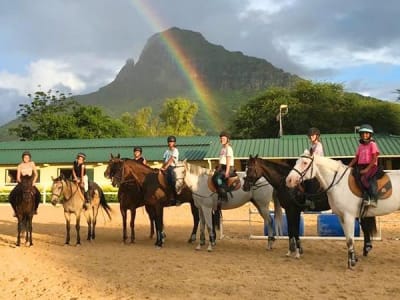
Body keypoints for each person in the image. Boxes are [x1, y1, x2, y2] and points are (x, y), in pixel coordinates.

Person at [348, 124, 380, 207]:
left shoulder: (372, 144)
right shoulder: (360, 146)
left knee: (365, 179)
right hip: (361, 166)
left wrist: (367, 169)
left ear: (370, 135)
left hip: (371, 166)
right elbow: (356, 158)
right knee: (356, 179)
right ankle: (365, 197)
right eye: (362, 133)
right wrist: (348, 166)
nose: (364, 135)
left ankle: (373, 198)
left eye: (366, 133)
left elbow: (374, 158)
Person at [9, 151, 41, 216]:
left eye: (27, 157)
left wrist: (33, 182)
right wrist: (21, 183)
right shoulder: (20, 165)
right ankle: (15, 211)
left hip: (30, 183)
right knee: (11, 195)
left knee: (38, 194)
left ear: (29, 158)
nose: (26, 158)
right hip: (22, 183)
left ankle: (35, 209)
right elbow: (18, 177)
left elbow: (36, 174)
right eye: (24, 157)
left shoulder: (32, 164)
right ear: (22, 158)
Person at [303, 128, 325, 210]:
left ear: (317, 136)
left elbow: (314, 158)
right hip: (314, 166)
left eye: (312, 135)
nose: (311, 137)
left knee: (311, 180)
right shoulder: (312, 146)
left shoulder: (319, 145)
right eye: (310, 136)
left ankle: (311, 200)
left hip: (319, 166)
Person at [213, 131, 235, 202]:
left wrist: (227, 172)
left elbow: (228, 161)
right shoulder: (222, 149)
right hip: (222, 168)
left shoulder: (229, 148)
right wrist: (217, 169)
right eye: (221, 138)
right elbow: (221, 161)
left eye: (223, 138)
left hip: (228, 168)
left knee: (217, 179)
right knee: (213, 177)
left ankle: (224, 194)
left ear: (227, 139)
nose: (221, 140)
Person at [161, 136, 179, 205]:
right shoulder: (166, 151)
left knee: (172, 180)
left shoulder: (175, 150)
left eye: (172, 142)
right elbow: (164, 161)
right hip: (166, 167)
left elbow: (171, 160)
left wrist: (165, 167)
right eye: (169, 142)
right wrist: (162, 167)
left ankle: (176, 198)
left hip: (173, 167)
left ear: (174, 143)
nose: (170, 143)